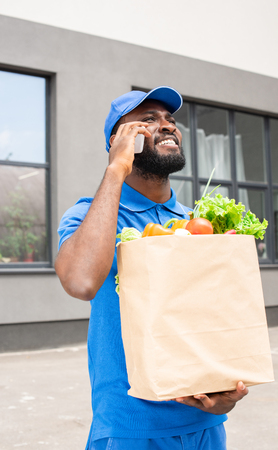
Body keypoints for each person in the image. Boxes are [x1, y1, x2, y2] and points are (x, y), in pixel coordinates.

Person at [55, 86, 248, 450]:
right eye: (148, 120)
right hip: (131, 425)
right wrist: (116, 167)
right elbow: (80, 281)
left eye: (171, 120)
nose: (167, 126)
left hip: (205, 421)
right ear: (119, 139)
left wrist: (229, 388)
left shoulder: (198, 221)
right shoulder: (90, 215)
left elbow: (218, 316)